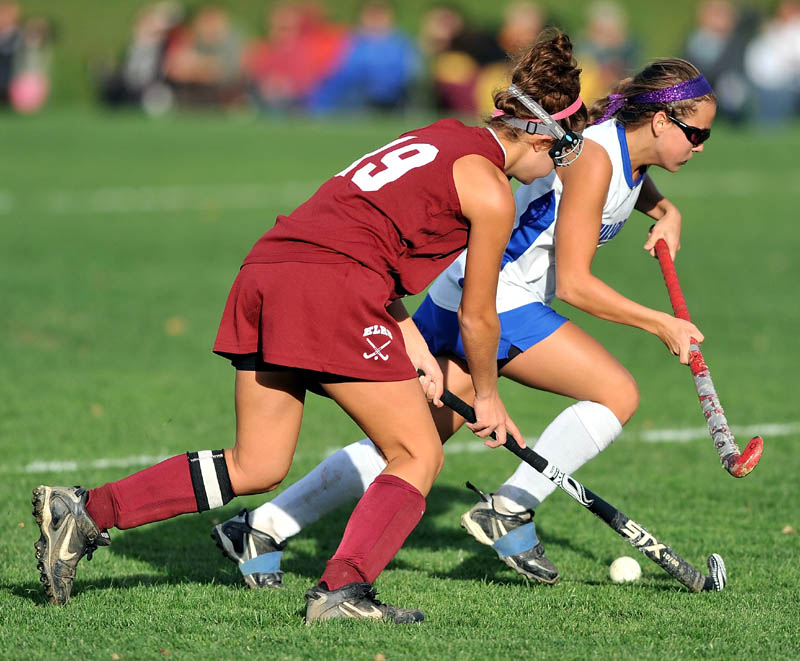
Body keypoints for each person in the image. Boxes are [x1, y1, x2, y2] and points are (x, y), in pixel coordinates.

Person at [31, 29, 583, 623]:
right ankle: (342, 589)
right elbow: (477, 314)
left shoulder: (439, 135)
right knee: (416, 453)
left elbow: (361, 238)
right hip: (331, 289)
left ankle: (85, 511)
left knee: (258, 464)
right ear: (534, 130)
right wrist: (490, 396)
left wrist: (416, 345)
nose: (554, 167)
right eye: (560, 149)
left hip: (270, 270)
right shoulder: (492, 193)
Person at [211, 56, 714, 590]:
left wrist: (665, 211)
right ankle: (510, 509)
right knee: (616, 393)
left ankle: (263, 526)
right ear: (661, 121)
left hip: (462, 288)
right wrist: (661, 323)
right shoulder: (592, 156)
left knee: (411, 437)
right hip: (497, 297)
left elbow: (616, 183)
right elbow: (573, 284)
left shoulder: (615, 151)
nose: (702, 145)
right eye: (697, 133)